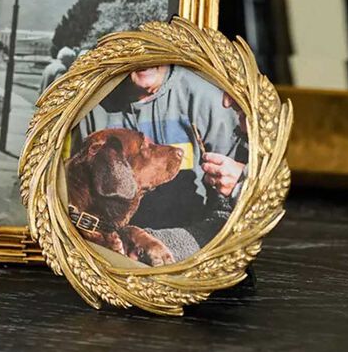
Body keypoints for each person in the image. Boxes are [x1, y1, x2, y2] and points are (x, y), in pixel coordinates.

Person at [84, 64, 247, 261]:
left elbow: (228, 216)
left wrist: (153, 244)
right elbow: (84, 207)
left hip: (194, 252)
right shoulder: (93, 107)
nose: (146, 59)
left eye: (154, 50)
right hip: (118, 252)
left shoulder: (209, 99)